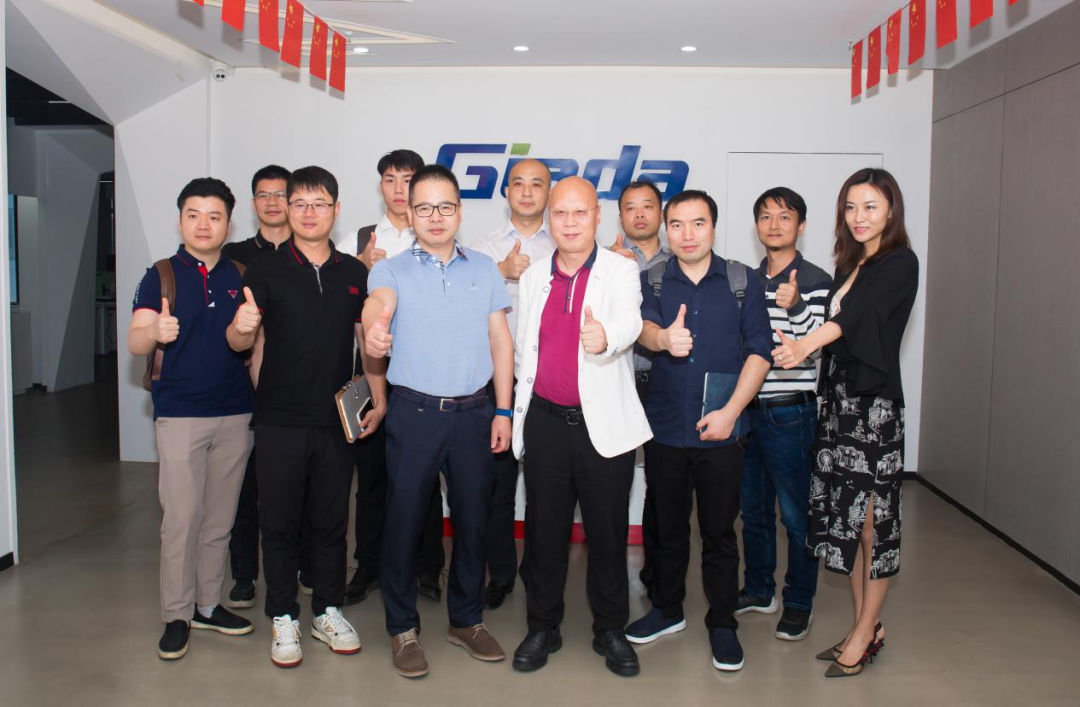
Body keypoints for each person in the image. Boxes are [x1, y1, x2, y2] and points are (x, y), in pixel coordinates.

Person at [227, 166, 388, 668]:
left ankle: (327, 610)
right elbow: (241, 342)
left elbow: (367, 344)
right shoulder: (265, 270)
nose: (309, 213)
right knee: (278, 522)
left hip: (337, 421)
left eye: (320, 204)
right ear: (287, 209)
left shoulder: (354, 273)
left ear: (336, 210)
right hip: (279, 419)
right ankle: (282, 616)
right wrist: (241, 327)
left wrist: (379, 398)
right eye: (300, 203)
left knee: (331, 521)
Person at [363, 164, 514, 678]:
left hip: (475, 415)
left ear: (459, 212)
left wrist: (503, 409)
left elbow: (500, 341)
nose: (435, 217)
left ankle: (466, 620)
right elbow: (376, 307)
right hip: (415, 414)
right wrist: (375, 331)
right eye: (423, 207)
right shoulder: (390, 270)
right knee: (403, 523)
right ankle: (402, 628)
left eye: (445, 207)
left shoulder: (485, 269)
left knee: (474, 522)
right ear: (409, 213)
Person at [771, 168, 918, 678]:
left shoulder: (900, 262)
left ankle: (864, 631)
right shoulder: (850, 263)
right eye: (851, 207)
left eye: (871, 206)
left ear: (891, 211)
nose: (859, 217)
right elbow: (835, 329)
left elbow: (857, 318)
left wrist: (806, 345)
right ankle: (864, 626)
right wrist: (800, 319)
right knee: (849, 525)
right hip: (838, 405)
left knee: (875, 526)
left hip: (873, 409)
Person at [625, 189, 772, 673]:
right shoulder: (652, 280)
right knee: (667, 529)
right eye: (677, 224)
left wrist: (731, 412)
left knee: (719, 532)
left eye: (698, 223)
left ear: (714, 227)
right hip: (666, 428)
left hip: (723, 431)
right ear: (666, 229)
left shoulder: (742, 281)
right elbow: (643, 328)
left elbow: (760, 352)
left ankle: (722, 622)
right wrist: (663, 338)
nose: (687, 235)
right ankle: (667, 609)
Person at [510, 177, 652, 677]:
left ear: (597, 216)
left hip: (601, 426)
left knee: (607, 535)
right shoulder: (535, 276)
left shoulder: (620, 269)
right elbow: (525, 350)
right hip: (545, 423)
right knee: (544, 533)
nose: (570, 223)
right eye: (561, 213)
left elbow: (631, 321)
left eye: (580, 212)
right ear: (550, 218)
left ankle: (610, 629)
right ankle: (542, 626)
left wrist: (605, 335)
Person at [128, 177, 255, 660]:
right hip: (180, 413)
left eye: (214, 216)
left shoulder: (241, 275)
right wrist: (155, 332)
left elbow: (247, 344)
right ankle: (176, 614)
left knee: (219, 519)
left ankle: (207, 604)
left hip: (236, 412)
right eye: (194, 215)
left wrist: (246, 331)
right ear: (181, 220)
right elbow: (136, 340)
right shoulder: (160, 275)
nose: (204, 224)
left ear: (228, 223)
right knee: (182, 519)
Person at [339, 149, 446, 606]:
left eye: (407, 179)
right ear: (380, 185)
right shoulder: (359, 238)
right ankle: (368, 566)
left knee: (425, 478)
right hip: (373, 370)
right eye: (390, 179)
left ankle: (428, 567)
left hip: (425, 375)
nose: (399, 189)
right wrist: (359, 269)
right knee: (372, 477)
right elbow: (343, 307)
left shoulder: (437, 234)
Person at [736, 187, 833, 642]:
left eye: (785, 216)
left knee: (796, 516)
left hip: (790, 414)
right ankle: (759, 589)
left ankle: (798, 602)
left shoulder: (815, 279)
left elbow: (813, 351)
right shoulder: (748, 280)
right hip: (748, 414)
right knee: (753, 511)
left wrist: (795, 307)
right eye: (765, 216)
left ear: (801, 225)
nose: (774, 225)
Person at [472, 159, 556, 609]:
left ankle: (539, 574)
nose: (526, 192)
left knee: (546, 488)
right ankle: (501, 574)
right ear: (506, 192)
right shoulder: (482, 248)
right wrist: (499, 271)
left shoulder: (564, 244)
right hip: (496, 383)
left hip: (548, 384)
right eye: (518, 184)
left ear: (548, 192)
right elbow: (463, 306)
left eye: (536, 184)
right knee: (498, 487)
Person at [221, 164, 291, 610]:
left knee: (297, 490)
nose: (272, 202)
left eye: (280, 194)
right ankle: (244, 575)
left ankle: (300, 568)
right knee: (245, 489)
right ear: (253, 204)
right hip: (243, 388)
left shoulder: (310, 252)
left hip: (294, 390)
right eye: (263, 195)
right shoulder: (234, 255)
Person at [608, 180, 673, 594]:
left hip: (664, 385)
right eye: (630, 208)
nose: (639, 214)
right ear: (620, 217)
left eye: (647, 206)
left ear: (661, 213)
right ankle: (610, 572)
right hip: (618, 384)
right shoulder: (606, 261)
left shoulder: (681, 260)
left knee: (663, 484)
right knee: (612, 483)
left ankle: (657, 572)